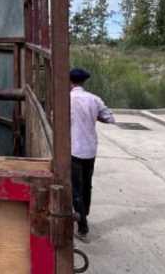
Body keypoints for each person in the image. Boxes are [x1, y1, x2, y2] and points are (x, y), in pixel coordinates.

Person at [69, 68, 114, 241]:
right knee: (87, 185)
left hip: (74, 149)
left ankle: (82, 226)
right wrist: (94, 117)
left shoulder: (67, 99)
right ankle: (84, 214)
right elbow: (110, 118)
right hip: (90, 149)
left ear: (70, 81)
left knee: (76, 188)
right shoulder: (94, 99)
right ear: (84, 82)